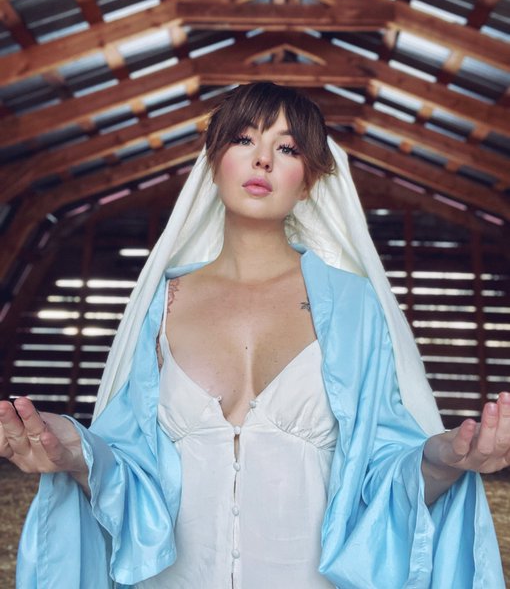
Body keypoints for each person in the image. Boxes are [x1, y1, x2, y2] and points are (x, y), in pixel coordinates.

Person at [1, 82, 508, 588]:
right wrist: (74, 450)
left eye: (287, 148)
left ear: (308, 181)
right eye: (244, 139)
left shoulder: (354, 305)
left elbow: (380, 477)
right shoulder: (161, 304)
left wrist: (443, 459)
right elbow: (129, 476)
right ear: (213, 161)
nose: (262, 160)